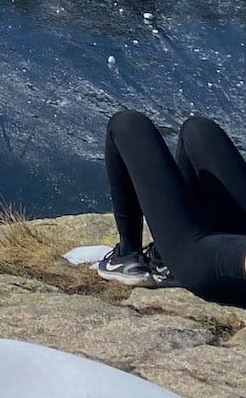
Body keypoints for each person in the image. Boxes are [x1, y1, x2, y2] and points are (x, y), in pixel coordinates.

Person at [96, 109, 246, 305]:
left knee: (127, 124)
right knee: (198, 130)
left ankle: (128, 255)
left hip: (225, 262)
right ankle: (162, 257)